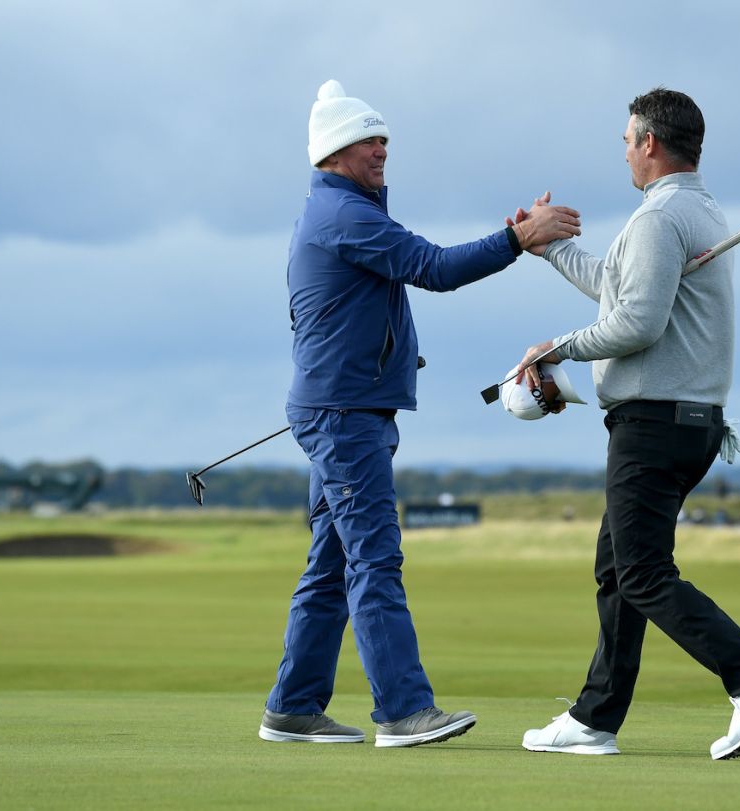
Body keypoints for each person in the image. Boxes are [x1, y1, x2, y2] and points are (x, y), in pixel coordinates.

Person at [259, 79, 581, 749]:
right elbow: (433, 267)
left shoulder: (349, 212)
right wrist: (518, 238)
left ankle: (292, 707)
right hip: (343, 414)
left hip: (343, 408)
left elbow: (413, 269)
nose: (381, 149)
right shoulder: (345, 216)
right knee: (374, 557)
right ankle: (403, 711)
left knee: (331, 562)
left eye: (383, 139)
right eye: (368, 140)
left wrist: (512, 234)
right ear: (334, 151)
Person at [510, 87, 740, 759]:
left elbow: (637, 323)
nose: (623, 148)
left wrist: (556, 349)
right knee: (617, 566)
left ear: (649, 143)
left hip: (655, 420)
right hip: (688, 419)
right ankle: (593, 718)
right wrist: (548, 249)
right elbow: (624, 294)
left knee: (640, 571)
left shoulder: (658, 219)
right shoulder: (693, 209)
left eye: (626, 138)